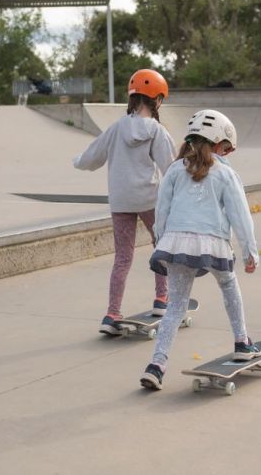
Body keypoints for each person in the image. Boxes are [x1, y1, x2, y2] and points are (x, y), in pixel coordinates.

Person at [140, 109, 261, 391]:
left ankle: (156, 365)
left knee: (175, 307)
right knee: (229, 284)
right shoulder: (226, 174)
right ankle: (242, 341)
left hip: (176, 243)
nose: (227, 154)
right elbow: (240, 216)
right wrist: (249, 252)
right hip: (212, 244)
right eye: (227, 148)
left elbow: (163, 209)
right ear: (219, 144)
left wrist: (161, 240)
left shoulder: (174, 169)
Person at [73, 69, 176, 334]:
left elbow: (92, 157)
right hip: (149, 198)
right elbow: (170, 166)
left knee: (122, 257)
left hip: (120, 200)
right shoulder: (156, 130)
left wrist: (78, 161)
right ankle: (162, 299)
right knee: (161, 247)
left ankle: (112, 313)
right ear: (157, 99)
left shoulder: (117, 128)